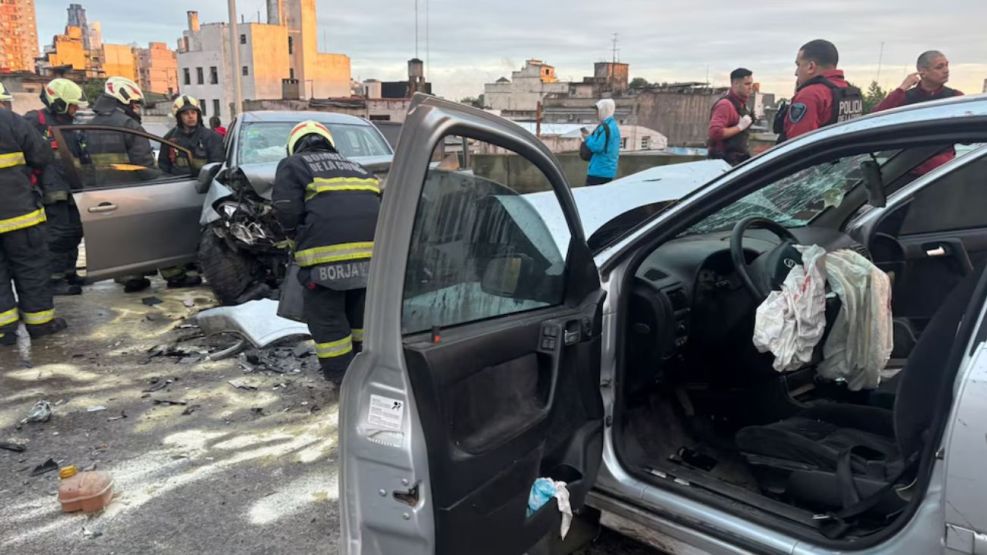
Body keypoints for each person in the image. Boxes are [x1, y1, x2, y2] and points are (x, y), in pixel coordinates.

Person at [272, 120, 381, 384]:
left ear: (294, 146)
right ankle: (365, 371)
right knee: (360, 316)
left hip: (324, 263)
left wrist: (294, 239)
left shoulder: (293, 165)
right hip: (371, 259)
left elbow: (286, 208)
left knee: (328, 320)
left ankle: (342, 379)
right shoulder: (359, 168)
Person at [0, 106, 67, 346]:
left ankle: (4, 331)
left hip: (18, 215)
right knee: (31, 270)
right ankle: (40, 325)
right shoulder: (9, 120)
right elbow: (41, 155)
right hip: (19, 216)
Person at [23, 78, 86, 296]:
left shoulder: (70, 125)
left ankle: (69, 272)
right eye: (73, 105)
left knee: (74, 233)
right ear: (59, 103)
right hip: (50, 192)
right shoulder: (35, 121)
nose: (76, 109)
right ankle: (54, 279)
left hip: (71, 189)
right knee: (57, 236)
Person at [872, 50, 963, 174]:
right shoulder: (905, 97)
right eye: (939, 67)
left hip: (942, 172)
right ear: (923, 72)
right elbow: (876, 117)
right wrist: (902, 88)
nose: (946, 70)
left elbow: (967, 135)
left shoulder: (954, 97)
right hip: (907, 169)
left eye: (947, 65)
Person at [780, 39, 863, 142]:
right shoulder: (849, 92)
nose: (796, 72)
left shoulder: (810, 95)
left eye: (798, 65)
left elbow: (798, 142)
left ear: (811, 67)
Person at [159, 95, 224, 175]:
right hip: (177, 181)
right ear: (179, 117)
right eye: (186, 113)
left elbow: (217, 166)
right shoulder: (169, 138)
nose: (191, 116)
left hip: (204, 181)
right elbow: (163, 166)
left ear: (198, 115)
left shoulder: (212, 137)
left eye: (193, 112)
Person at [708, 68, 755, 166]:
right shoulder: (725, 105)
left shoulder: (742, 105)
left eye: (751, 84)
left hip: (737, 161)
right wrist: (739, 127)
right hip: (724, 163)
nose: (751, 87)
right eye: (747, 84)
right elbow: (715, 132)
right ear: (735, 84)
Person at [580, 98, 621, 185]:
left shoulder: (605, 127)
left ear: (604, 110)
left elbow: (597, 147)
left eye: (598, 110)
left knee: (590, 193)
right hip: (608, 171)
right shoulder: (613, 126)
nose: (596, 113)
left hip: (598, 171)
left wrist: (587, 138)